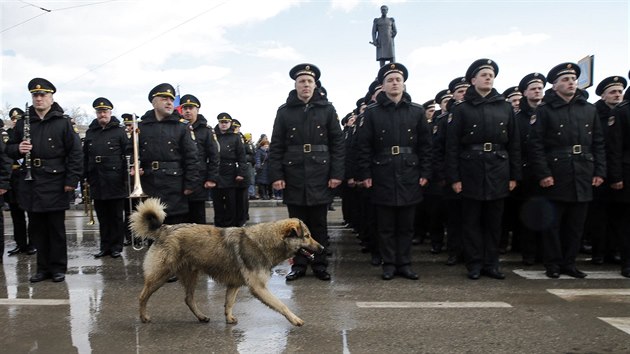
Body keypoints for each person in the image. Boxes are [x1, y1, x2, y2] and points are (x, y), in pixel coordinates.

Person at [528, 62, 606, 278]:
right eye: (565, 79)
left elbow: (598, 142)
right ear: (554, 86)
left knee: (576, 224)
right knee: (553, 224)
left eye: (573, 79)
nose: (571, 82)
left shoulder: (588, 109)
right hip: (557, 171)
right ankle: (553, 264)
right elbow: (536, 145)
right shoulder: (544, 110)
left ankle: (569, 263)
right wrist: (544, 173)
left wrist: (599, 171)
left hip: (583, 171)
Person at [446, 59, 521, 280]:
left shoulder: (505, 107)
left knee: (494, 221)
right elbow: (452, 146)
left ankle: (492, 263)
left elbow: (514, 143)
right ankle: (474, 263)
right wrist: (454, 177)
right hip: (470, 169)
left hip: (498, 169)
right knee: (471, 221)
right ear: (473, 80)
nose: (488, 77)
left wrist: (514, 175)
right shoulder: (462, 108)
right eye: (484, 74)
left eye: (491, 74)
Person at [355, 63, 432, 280]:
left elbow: (426, 146)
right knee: (386, 225)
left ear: (404, 83)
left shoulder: (416, 111)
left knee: (407, 226)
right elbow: (364, 147)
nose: (395, 83)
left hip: (410, 173)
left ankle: (405, 263)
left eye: (398, 79)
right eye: (390, 80)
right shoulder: (372, 113)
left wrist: (425, 172)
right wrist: (366, 174)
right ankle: (389, 264)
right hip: (382, 174)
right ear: (383, 85)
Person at [269, 63, 344, 281]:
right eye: (302, 81)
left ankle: (320, 264)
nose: (306, 85)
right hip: (293, 175)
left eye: (309, 81)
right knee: (296, 226)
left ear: (315, 85)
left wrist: (336, 173)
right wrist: (277, 175)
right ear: (295, 84)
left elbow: (337, 144)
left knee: (319, 224)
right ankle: (299, 265)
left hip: (321, 173)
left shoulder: (327, 109)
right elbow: (276, 145)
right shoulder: (284, 111)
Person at [7, 78, 83, 282]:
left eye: (43, 95)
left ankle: (58, 268)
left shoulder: (63, 122)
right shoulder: (24, 122)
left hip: (56, 180)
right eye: (35, 95)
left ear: (51, 98)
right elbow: (9, 149)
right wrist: (17, 149)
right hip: (31, 182)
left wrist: (71, 180)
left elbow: (75, 153)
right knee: (37, 227)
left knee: (55, 228)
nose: (39, 98)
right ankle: (42, 268)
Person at [137, 83, 200, 225]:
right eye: (164, 98)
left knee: (175, 230)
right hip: (149, 183)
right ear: (154, 102)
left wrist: (190, 184)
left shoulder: (181, 127)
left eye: (171, 99)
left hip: (174, 185)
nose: (169, 102)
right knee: (151, 227)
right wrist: (134, 167)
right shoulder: (141, 127)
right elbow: (131, 152)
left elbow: (192, 157)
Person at [586, 76, 627, 265]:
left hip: (620, 171)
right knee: (599, 215)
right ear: (603, 96)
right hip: (600, 171)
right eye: (613, 92)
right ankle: (599, 252)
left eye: (619, 91)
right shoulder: (595, 113)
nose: (617, 95)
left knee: (618, 216)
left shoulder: (624, 112)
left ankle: (614, 250)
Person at [83, 97, 128, 258]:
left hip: (115, 179)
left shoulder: (119, 131)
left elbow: (126, 154)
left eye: (105, 111)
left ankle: (116, 246)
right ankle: (105, 246)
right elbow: (85, 156)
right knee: (102, 216)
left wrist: (125, 177)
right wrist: (85, 176)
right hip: (97, 178)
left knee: (116, 216)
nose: (102, 114)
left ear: (110, 112)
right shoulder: (90, 132)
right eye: (99, 112)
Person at [512, 72, 547, 265]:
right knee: (527, 214)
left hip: (548, 172)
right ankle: (529, 253)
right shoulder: (517, 118)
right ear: (525, 92)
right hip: (527, 172)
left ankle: (544, 252)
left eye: (540, 88)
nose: (537, 91)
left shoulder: (547, 112)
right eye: (533, 88)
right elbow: (515, 147)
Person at [179, 94, 219, 224]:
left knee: (198, 216)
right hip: (179, 177)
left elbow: (214, 156)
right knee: (181, 216)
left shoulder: (206, 130)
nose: (187, 111)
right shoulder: (177, 127)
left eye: (191, 108)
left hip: (199, 179)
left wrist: (211, 178)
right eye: (185, 108)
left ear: (197, 110)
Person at [607, 71, 630, 278]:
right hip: (627, 172)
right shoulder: (623, 111)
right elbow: (614, 147)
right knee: (626, 221)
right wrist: (616, 176)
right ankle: (627, 261)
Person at [5, 108, 35, 256]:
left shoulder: (29, 132)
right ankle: (20, 244)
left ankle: (33, 244)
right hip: (13, 177)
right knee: (16, 215)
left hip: (27, 177)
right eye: (13, 119)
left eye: (18, 118)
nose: (15, 121)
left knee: (31, 213)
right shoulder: (9, 135)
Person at [212, 113, 247, 227]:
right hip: (216, 171)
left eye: (226, 122)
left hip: (230, 172)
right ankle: (218, 226)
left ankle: (230, 226)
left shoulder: (235, 137)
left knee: (231, 203)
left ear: (230, 123)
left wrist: (241, 173)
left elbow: (242, 157)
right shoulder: (212, 136)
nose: (223, 124)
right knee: (217, 203)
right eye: (221, 122)